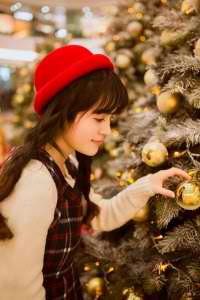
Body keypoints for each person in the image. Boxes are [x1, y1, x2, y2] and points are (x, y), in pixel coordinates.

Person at [0, 45, 191, 300]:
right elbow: (18, 291)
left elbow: (100, 216)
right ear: (63, 111)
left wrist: (146, 184)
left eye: (110, 119)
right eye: (99, 119)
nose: (107, 131)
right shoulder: (36, 182)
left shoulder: (65, 164)